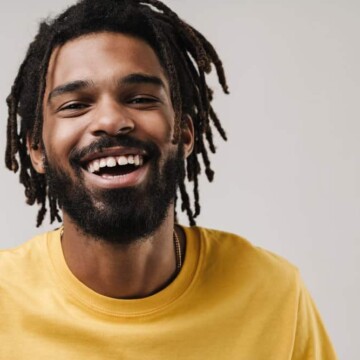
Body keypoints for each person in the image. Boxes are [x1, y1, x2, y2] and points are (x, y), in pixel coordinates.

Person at [1, 0, 337, 358]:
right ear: (36, 149)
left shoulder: (274, 293)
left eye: (141, 98)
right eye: (75, 104)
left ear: (185, 133)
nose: (111, 120)